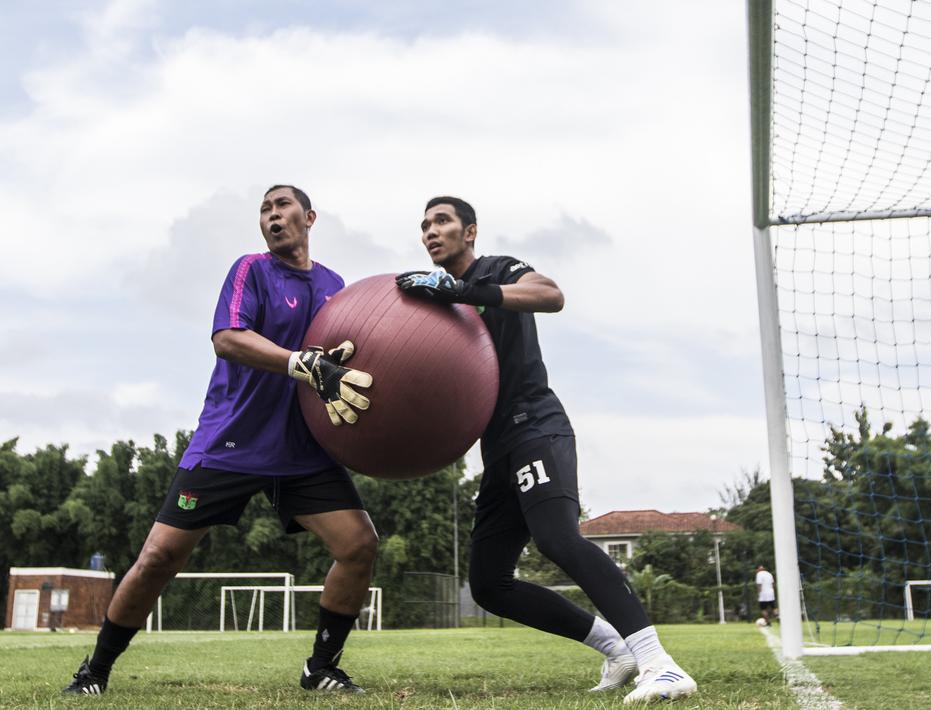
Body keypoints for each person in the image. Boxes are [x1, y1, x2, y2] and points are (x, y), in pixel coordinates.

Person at [63, 185, 378, 695]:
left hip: (301, 450)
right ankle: (94, 671)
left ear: (310, 217)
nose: (272, 216)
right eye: (265, 209)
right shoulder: (250, 270)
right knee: (160, 558)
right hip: (230, 443)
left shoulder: (334, 284)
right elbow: (227, 338)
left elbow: (347, 351)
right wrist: (299, 362)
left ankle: (321, 668)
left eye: (282, 206)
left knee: (359, 544)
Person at [396, 196, 698, 703]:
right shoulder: (437, 302)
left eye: (442, 221)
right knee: (490, 584)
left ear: (469, 231)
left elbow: (551, 295)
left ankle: (659, 663)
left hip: (535, 425)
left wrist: (469, 290)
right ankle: (616, 648)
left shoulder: (497, 270)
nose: (431, 231)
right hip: (496, 450)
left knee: (556, 538)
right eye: (424, 225)